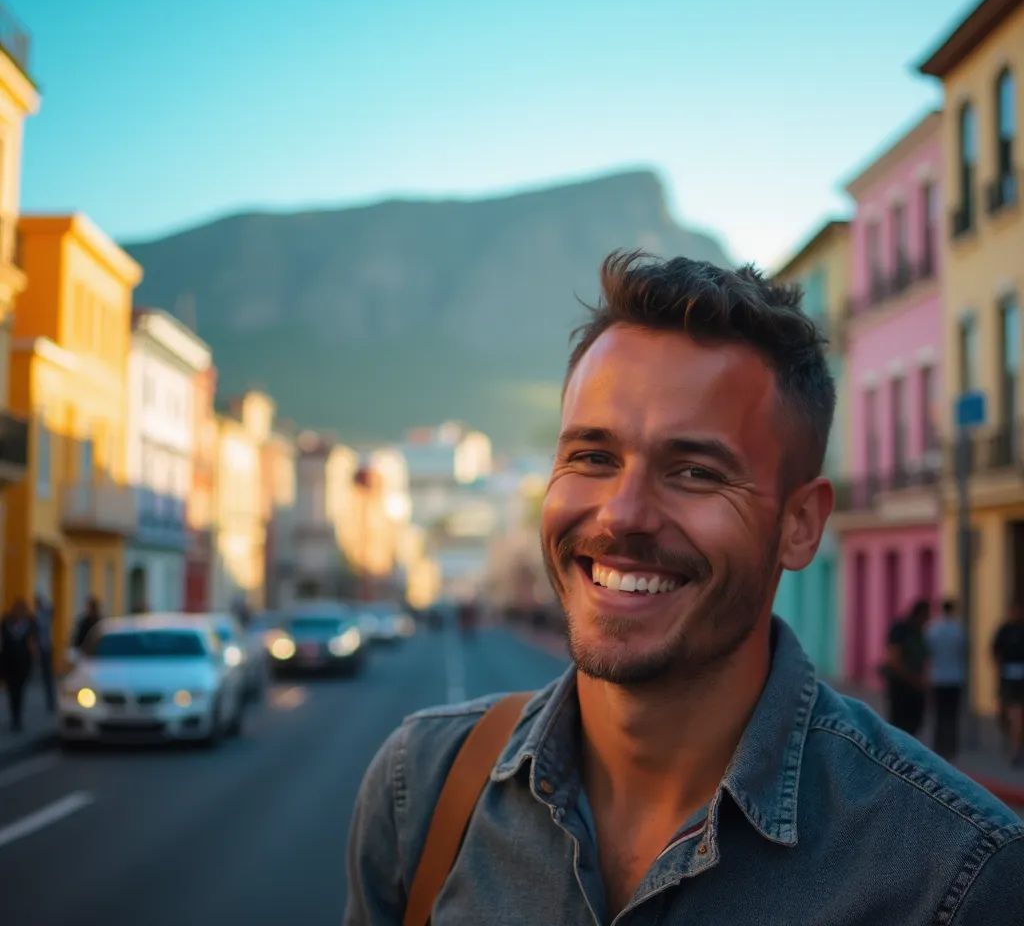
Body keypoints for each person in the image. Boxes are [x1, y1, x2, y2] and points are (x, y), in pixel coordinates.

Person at [346, 252, 1024, 924]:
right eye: (592, 457)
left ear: (799, 524)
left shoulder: (956, 878)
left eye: (696, 471)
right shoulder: (423, 789)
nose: (622, 515)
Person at [925, 598, 966, 759]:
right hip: (955, 678)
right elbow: (964, 651)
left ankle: (939, 746)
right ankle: (952, 747)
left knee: (939, 715)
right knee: (952, 716)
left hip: (937, 677)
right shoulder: (958, 629)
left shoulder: (933, 629)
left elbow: (927, 652)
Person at [883, 599, 930, 736]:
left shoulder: (919, 631)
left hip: (915, 686)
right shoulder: (901, 630)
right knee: (900, 723)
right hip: (901, 685)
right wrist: (913, 679)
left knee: (914, 723)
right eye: (927, 615)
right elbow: (894, 658)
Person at [992, 603, 1024, 766]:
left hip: (1020, 678)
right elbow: (994, 651)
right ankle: (1011, 738)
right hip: (1006, 676)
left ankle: (1015, 749)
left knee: (1017, 714)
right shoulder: (1004, 630)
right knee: (1003, 712)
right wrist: (998, 671)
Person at [1, 599, 38, 731]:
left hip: (23, 663)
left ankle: (18, 718)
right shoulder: (6, 622)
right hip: (8, 663)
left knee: (19, 691)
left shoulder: (29, 623)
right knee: (11, 692)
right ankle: (14, 717)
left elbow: (32, 642)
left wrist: (33, 659)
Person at [34, 591, 56, 713]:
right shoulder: (37, 615)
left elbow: (52, 608)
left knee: (48, 677)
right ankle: (50, 702)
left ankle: (51, 702)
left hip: (46, 648)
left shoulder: (44, 614)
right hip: (42, 648)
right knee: (44, 677)